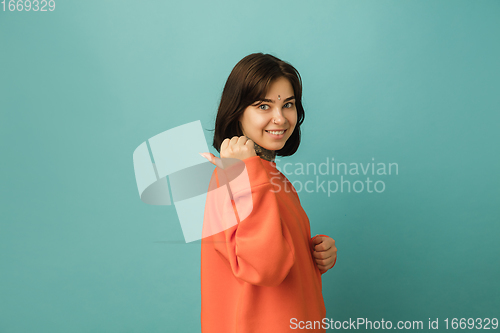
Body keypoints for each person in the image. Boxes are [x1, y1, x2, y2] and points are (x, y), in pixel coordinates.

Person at [199, 53, 337, 333]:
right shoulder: (232, 177)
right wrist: (246, 171)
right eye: (263, 105)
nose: (280, 118)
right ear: (237, 111)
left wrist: (311, 253)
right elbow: (267, 268)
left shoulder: (271, 177)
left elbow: (269, 252)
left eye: (288, 105)